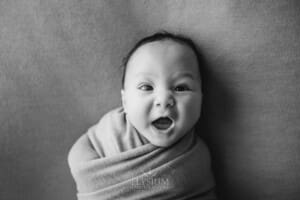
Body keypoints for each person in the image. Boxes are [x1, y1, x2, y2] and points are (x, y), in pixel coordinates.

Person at [68, 32, 216, 200]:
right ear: (125, 100)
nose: (164, 100)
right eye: (146, 87)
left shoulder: (196, 157)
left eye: (181, 88)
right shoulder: (110, 131)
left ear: (201, 99)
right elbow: (81, 161)